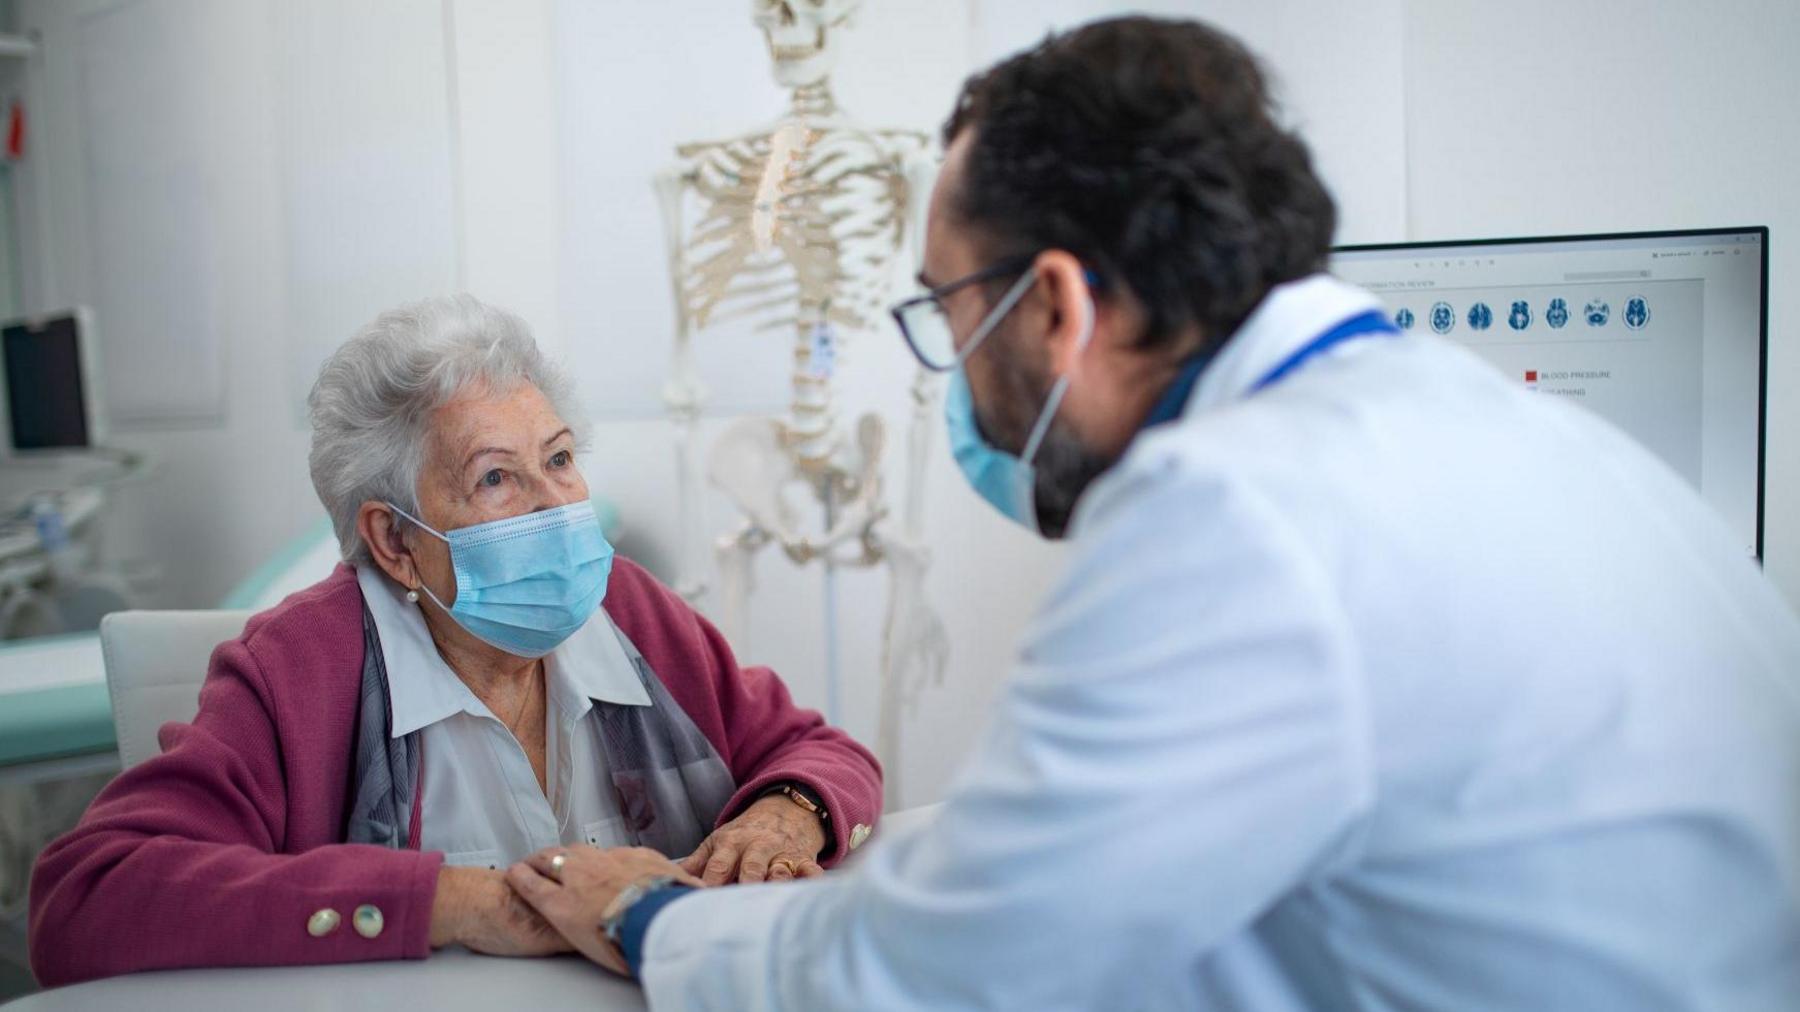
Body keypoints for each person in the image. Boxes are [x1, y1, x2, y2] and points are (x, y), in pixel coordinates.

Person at [499, 17, 1800, 1009]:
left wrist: (656, 922)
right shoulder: (1526, 439)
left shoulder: (1231, 511)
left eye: (952, 313)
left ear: (1055, 306)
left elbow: (941, 974)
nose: (953, 370)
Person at [28, 295, 881, 986]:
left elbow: (820, 751)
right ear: (396, 541)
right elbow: (87, 898)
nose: (555, 505)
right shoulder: (300, 666)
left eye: (559, 459)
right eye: (496, 478)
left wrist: (786, 815)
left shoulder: (629, 608)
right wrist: (459, 904)